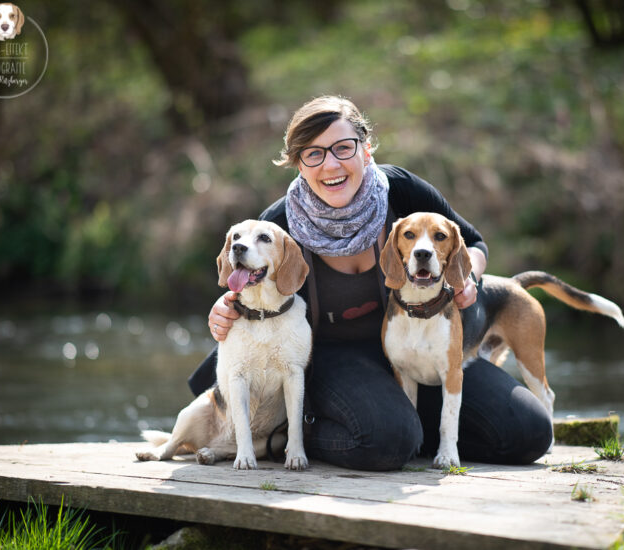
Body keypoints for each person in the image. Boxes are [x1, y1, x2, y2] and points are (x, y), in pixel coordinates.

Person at [188, 96, 552, 471]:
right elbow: (248, 282)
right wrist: (225, 306)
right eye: (313, 154)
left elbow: (472, 242)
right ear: (298, 163)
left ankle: (414, 429)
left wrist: (468, 279)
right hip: (333, 359)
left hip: (419, 348)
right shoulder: (279, 224)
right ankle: (304, 434)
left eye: (344, 148)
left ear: (366, 150)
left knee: (528, 432)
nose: (331, 164)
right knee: (388, 441)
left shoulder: (402, 191)